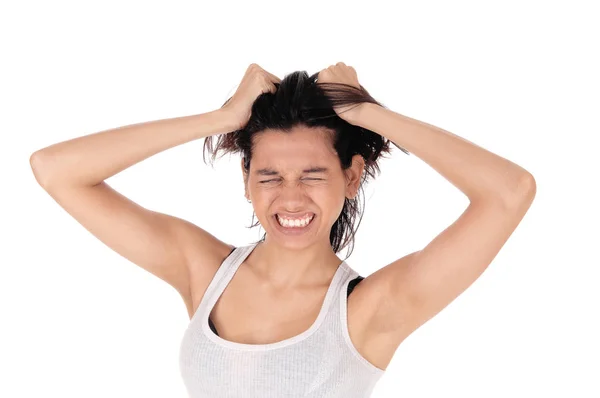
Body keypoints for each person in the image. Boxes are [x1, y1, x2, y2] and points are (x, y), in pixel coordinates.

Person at [30, 62, 536, 397]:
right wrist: (220, 117)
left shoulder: (370, 310)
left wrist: (370, 113)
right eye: (269, 176)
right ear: (247, 181)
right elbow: (55, 169)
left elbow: (509, 192)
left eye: (312, 176)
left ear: (352, 176)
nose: (290, 198)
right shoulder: (204, 271)